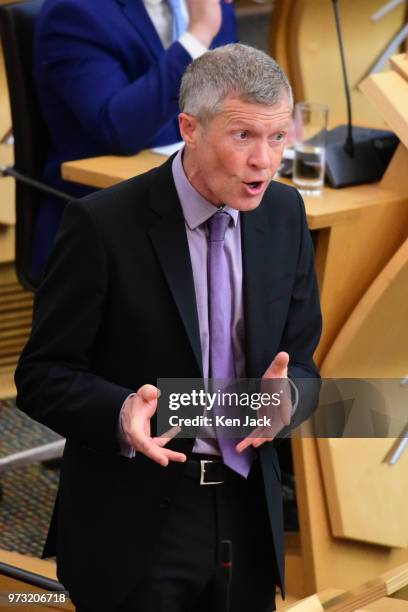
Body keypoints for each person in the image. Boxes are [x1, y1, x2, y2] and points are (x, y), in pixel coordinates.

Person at [16, 44, 322, 611]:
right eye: (244, 137)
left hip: (246, 504)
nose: (265, 160)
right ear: (190, 128)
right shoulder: (102, 225)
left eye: (278, 136)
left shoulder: (284, 215)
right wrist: (119, 409)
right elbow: (42, 375)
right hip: (139, 512)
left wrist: (291, 398)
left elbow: (300, 363)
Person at [32, 0, 237, 277]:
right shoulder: (75, 12)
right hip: (111, 226)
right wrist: (198, 34)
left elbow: (226, 106)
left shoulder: (211, 5)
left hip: (209, 216)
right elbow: (120, 130)